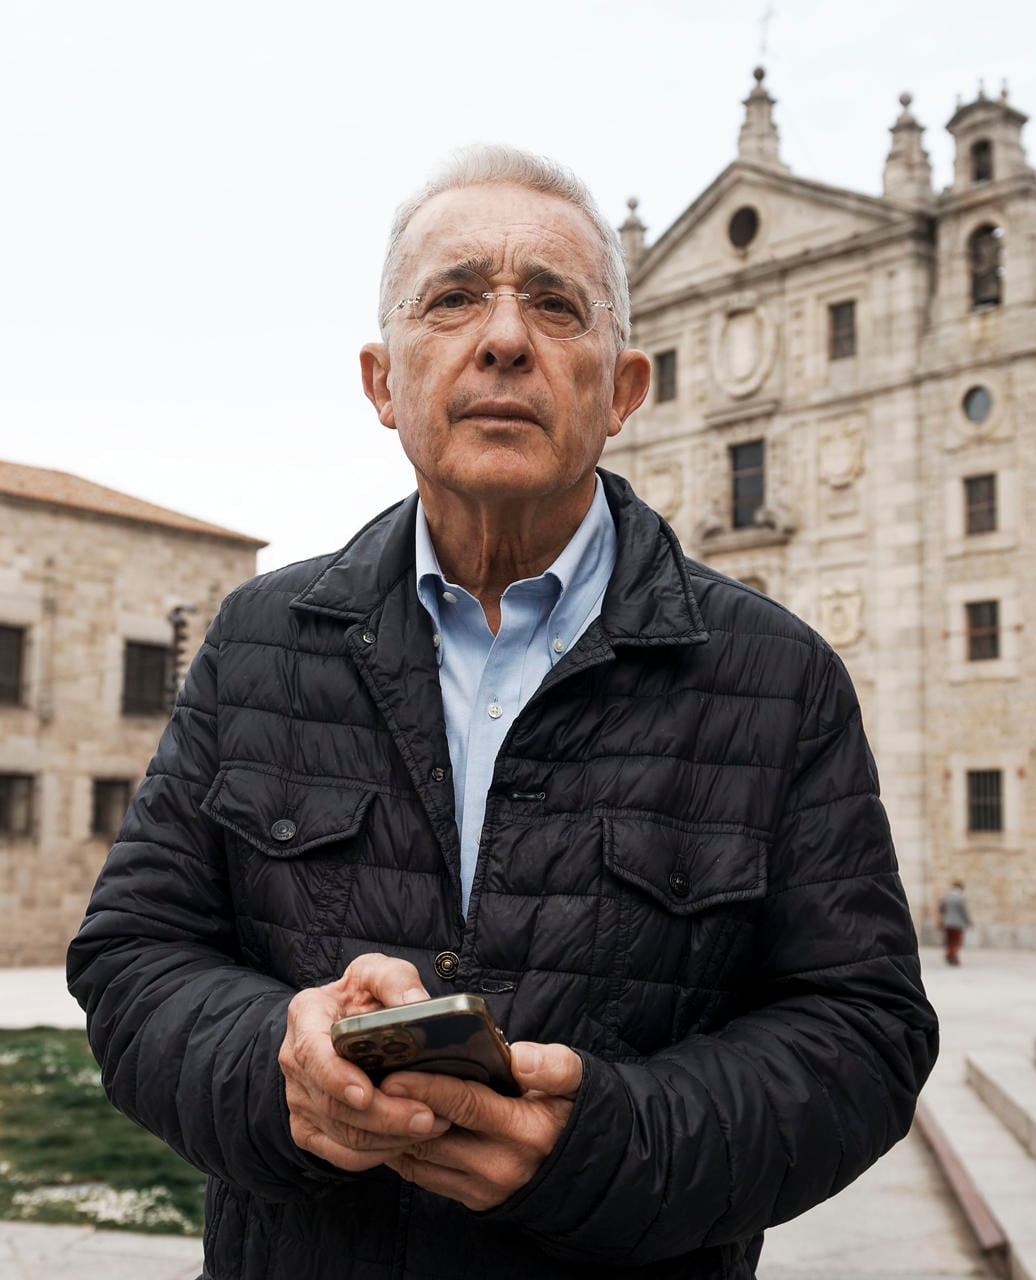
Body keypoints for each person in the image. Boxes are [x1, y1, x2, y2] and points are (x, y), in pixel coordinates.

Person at [66, 144, 938, 1280]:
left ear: (624, 389)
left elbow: (863, 1033)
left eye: (556, 304)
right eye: (456, 296)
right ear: (384, 382)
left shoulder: (780, 676)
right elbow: (134, 957)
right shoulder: (258, 644)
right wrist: (277, 1068)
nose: (506, 337)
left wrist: (601, 1146)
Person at [939, 880, 971, 966]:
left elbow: (941, 909)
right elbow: (963, 911)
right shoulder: (961, 898)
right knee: (956, 941)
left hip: (947, 922)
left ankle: (950, 954)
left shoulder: (946, 896)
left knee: (949, 940)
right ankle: (952, 956)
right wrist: (968, 921)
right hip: (958, 923)